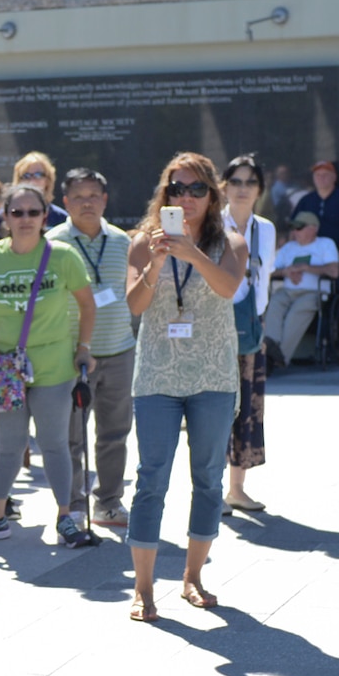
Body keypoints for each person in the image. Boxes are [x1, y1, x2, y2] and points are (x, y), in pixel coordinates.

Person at [124, 153, 247, 616]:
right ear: (165, 194)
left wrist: (192, 252)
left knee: (209, 479)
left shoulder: (230, 241)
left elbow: (226, 288)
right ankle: (143, 588)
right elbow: (135, 306)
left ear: (212, 196)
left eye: (196, 189)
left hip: (212, 375)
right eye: (176, 189)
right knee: (151, 478)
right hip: (157, 373)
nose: (186, 197)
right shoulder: (142, 242)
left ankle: (193, 577)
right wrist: (156, 263)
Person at [0, 186, 99, 547]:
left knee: (54, 445)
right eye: (16, 212)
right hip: (5, 370)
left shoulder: (63, 256)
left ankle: (66, 517)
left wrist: (83, 348)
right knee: (8, 446)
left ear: (44, 216)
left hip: (54, 368)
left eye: (32, 212)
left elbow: (87, 304)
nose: (24, 219)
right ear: (5, 216)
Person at [49, 169, 135, 528]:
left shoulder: (122, 241)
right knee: (71, 437)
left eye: (94, 195)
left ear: (105, 199)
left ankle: (109, 502)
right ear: (65, 202)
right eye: (79, 196)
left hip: (119, 350)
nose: (87, 202)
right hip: (71, 355)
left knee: (115, 434)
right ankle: (73, 504)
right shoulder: (52, 243)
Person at [223, 155, 275, 514]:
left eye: (250, 182)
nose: (243, 189)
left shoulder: (266, 229)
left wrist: (256, 320)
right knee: (213, 411)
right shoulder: (211, 222)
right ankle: (210, 490)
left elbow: (266, 276)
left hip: (251, 328)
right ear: (224, 186)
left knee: (247, 410)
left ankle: (237, 489)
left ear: (260, 189)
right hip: (213, 328)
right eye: (236, 181)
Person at [262, 210, 338, 363]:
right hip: (288, 290)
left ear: (314, 228)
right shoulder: (289, 248)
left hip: (313, 292)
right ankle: (270, 348)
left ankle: (279, 356)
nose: (295, 231)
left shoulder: (325, 244)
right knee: (275, 303)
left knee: (298, 311)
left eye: (299, 227)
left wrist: (305, 267)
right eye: (294, 228)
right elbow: (269, 271)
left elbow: (334, 271)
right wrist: (286, 271)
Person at [0, 151, 68, 237]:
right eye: (26, 176)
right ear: (18, 180)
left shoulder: (61, 217)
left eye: (38, 175)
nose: (32, 180)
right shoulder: (3, 216)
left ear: (47, 180)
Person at [291, 159, 339, 247]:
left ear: (334, 177)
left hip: (338, 254)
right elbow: (294, 227)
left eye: (325, 175)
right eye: (318, 175)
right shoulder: (305, 200)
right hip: (310, 255)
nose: (321, 178)